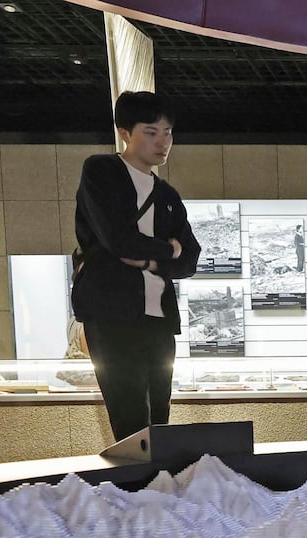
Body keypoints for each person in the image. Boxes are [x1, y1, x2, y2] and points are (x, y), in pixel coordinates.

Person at [71, 91, 200, 442]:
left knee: (159, 415)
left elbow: (190, 258)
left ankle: (155, 487)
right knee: (129, 417)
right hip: (112, 313)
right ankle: (136, 488)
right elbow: (117, 239)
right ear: (125, 132)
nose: (163, 142)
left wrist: (147, 259)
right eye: (151, 131)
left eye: (168, 132)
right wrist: (166, 251)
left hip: (158, 317)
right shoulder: (101, 171)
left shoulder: (168, 195)